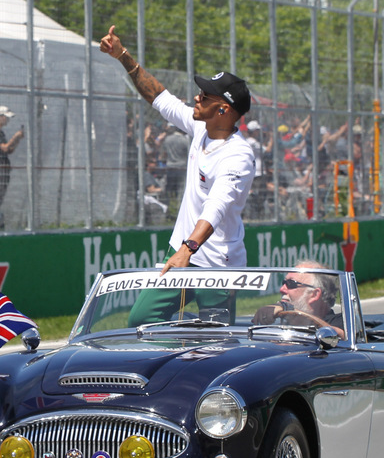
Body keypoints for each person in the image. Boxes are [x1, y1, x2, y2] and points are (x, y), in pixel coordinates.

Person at [99, 25, 256, 325]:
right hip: (183, 248)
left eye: (205, 96)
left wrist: (189, 248)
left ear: (223, 109)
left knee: (216, 344)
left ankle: (195, 354)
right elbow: (160, 97)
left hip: (217, 264)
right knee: (140, 320)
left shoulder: (239, 155)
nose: (197, 98)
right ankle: (184, 350)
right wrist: (122, 56)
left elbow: (217, 206)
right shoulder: (201, 127)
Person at [251, 260, 346, 339]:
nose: (282, 289)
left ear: (314, 294)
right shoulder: (279, 324)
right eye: (283, 282)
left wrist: (290, 310)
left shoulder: (342, 322)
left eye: (291, 284)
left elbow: (340, 335)